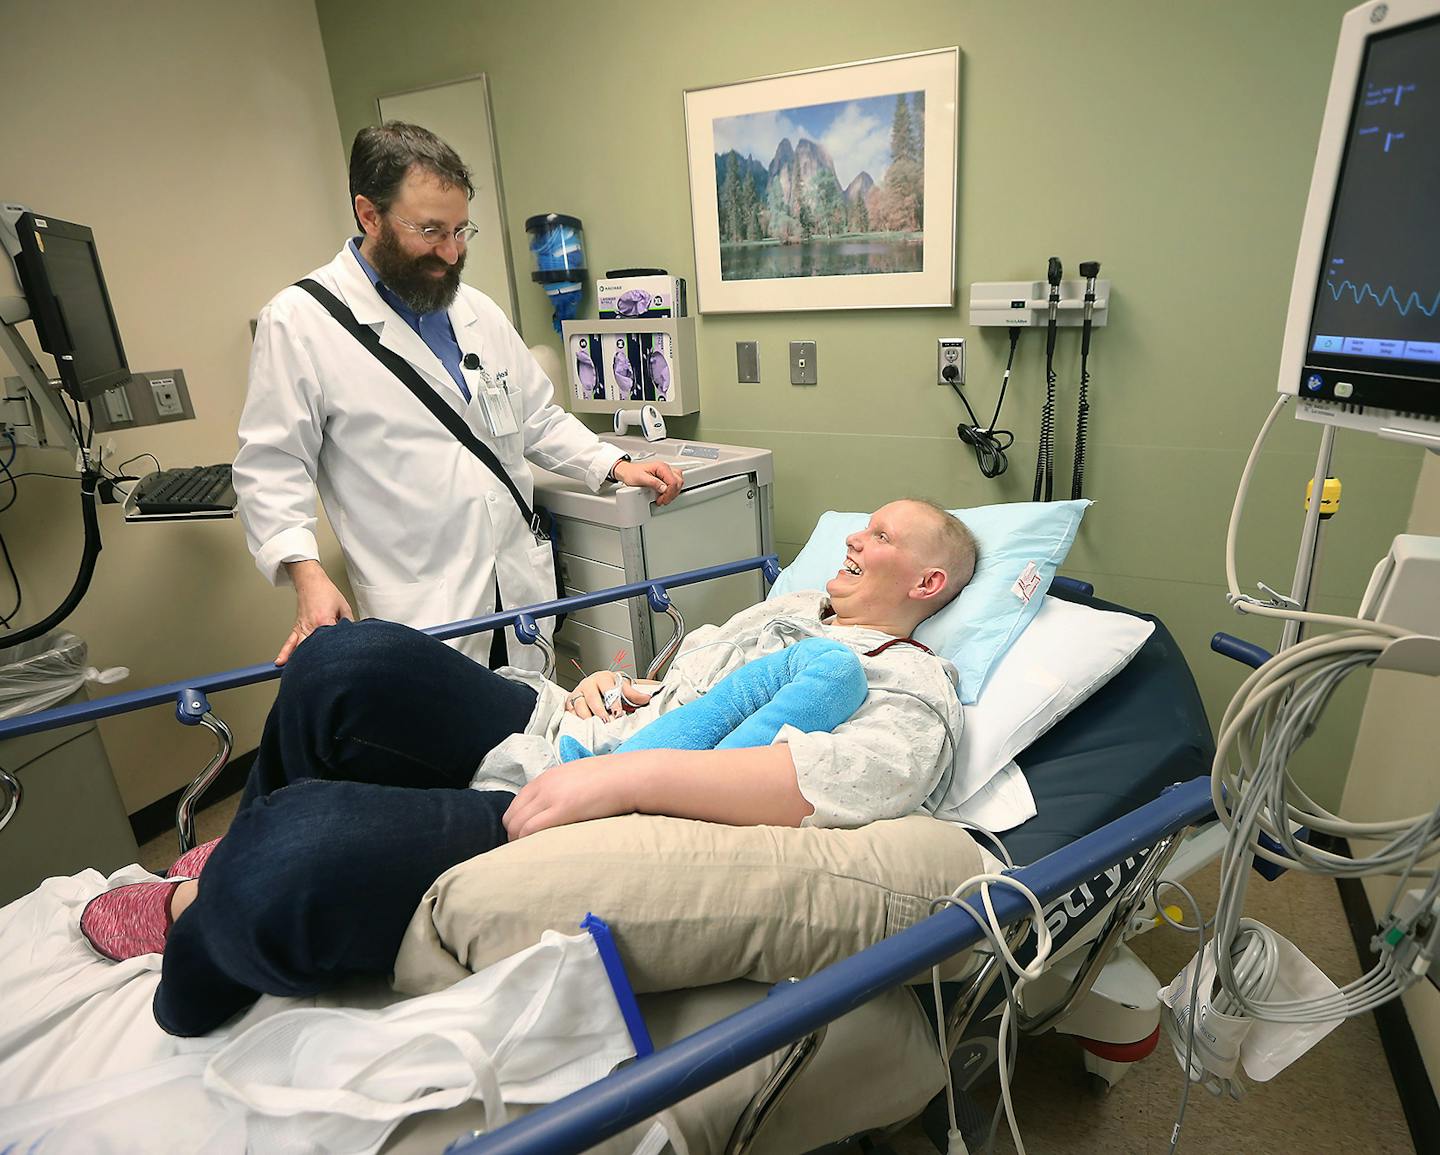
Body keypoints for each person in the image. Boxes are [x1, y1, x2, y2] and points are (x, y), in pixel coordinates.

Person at [80, 500, 979, 1037]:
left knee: (287, 860)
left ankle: (200, 917)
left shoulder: (907, 682)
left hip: (614, 807)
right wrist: (612, 685)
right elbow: (688, 691)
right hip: (581, 734)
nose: (853, 539)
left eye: (882, 535)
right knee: (342, 664)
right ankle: (253, 843)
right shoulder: (785, 612)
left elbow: (804, 784)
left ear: (928, 584)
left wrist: (623, 778)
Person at [234, 122, 683, 670]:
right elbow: (271, 467)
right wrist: (306, 574)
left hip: (516, 592)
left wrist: (614, 463)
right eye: (430, 231)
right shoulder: (302, 322)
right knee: (450, 749)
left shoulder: (477, 311)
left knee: (530, 728)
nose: (450, 252)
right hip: (425, 609)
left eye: (461, 230)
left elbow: (535, 416)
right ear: (369, 214)